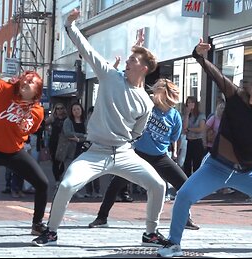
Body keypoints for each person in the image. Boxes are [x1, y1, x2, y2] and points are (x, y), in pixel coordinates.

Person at [32, 9, 166, 247]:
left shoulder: (146, 101)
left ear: (144, 68)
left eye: (132, 60)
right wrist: (70, 25)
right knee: (66, 185)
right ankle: (51, 232)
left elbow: (137, 132)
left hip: (124, 154)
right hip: (95, 152)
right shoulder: (110, 76)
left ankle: (151, 233)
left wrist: (122, 141)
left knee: (158, 185)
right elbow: (87, 50)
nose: (127, 61)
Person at [157, 38, 252, 258]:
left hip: (246, 173)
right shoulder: (238, 98)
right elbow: (217, 77)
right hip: (215, 167)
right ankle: (173, 243)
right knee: (184, 195)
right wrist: (199, 56)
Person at [88, 78, 200, 231]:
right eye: (168, 97)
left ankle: (185, 218)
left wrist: (174, 152)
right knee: (116, 184)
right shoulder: (149, 108)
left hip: (160, 157)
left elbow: (174, 137)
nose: (171, 102)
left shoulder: (174, 116)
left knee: (184, 184)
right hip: (137, 154)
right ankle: (102, 217)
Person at [0, 70, 48, 235]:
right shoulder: (6, 89)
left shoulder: (37, 111)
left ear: (37, 90)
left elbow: (30, 129)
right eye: (24, 79)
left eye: (31, 81)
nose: (26, 82)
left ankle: (37, 224)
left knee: (42, 184)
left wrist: (24, 125)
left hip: (14, 152)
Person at [182, 96, 206, 177]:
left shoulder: (201, 115)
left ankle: (196, 180)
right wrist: (186, 114)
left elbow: (201, 129)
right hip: (188, 141)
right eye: (188, 103)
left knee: (197, 163)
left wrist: (189, 129)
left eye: (192, 102)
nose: (190, 104)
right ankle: (186, 180)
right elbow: (184, 129)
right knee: (187, 163)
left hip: (197, 141)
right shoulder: (187, 115)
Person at [45, 103, 67, 184]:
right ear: (55, 110)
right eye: (58, 108)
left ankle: (60, 174)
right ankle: (57, 180)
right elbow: (43, 124)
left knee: (63, 162)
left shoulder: (67, 119)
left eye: (61, 108)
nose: (60, 110)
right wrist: (48, 130)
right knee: (55, 161)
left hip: (64, 143)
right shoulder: (53, 118)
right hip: (54, 142)